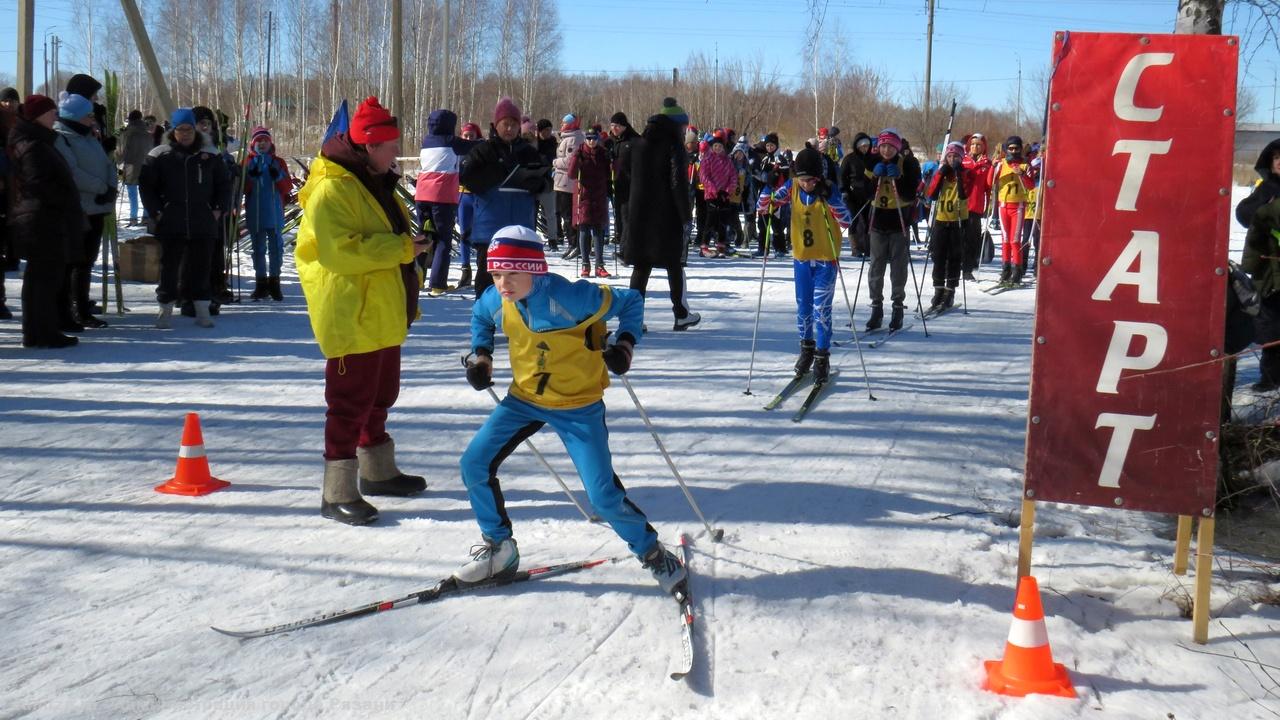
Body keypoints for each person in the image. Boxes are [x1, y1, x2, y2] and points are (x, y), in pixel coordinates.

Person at [456, 225, 687, 596]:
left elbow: (630, 301)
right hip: (525, 399)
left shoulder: (574, 297)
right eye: (497, 273)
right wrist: (481, 355)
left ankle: (653, 553)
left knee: (602, 496)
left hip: (578, 406)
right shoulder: (497, 299)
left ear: (534, 269)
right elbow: (481, 317)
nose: (503, 283)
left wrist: (625, 344)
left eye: (512, 273)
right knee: (474, 464)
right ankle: (500, 549)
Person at [295, 97, 430, 526]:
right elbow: (339, 252)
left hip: (379, 306)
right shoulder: (332, 187)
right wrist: (404, 248)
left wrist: (409, 250)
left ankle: (377, 471)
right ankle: (336, 491)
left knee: (380, 394)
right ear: (370, 146)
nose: (396, 152)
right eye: (390, 145)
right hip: (351, 309)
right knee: (349, 400)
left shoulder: (372, 179)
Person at [764, 147, 852, 384]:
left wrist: (830, 198)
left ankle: (822, 357)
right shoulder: (792, 186)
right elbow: (766, 205)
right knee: (803, 308)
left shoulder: (828, 189)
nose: (806, 185)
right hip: (801, 260)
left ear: (819, 177)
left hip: (826, 261)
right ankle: (806, 350)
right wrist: (767, 186)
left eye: (811, 180)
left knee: (821, 311)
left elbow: (847, 220)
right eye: (802, 180)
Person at [139, 108, 230, 329]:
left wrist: (217, 209)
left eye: (189, 129)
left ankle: (202, 310)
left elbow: (223, 185)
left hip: (203, 220)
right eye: (181, 129)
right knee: (169, 267)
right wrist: (157, 212)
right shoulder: (160, 155)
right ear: (173, 130)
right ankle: (165, 309)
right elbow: (147, 187)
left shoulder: (210, 155)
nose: (186, 133)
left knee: (202, 267)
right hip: (172, 220)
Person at [617, 98, 701, 331]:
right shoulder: (673, 147)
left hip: (639, 217)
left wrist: (626, 214)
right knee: (674, 264)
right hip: (667, 217)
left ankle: (634, 318)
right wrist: (686, 215)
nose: (684, 132)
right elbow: (678, 184)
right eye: (683, 127)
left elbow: (623, 181)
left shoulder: (637, 144)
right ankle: (681, 313)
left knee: (641, 267)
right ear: (675, 125)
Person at [9, 94, 85, 348]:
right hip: (41, 219)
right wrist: (63, 198)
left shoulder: (37, 141)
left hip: (44, 217)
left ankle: (40, 330)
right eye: (51, 112)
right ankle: (41, 332)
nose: (55, 117)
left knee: (43, 278)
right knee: (43, 279)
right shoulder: (32, 145)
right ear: (38, 115)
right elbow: (36, 184)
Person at [458, 97, 548, 297]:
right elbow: (466, 178)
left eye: (514, 124)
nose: (510, 128)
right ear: (496, 125)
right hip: (489, 229)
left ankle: (522, 325)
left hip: (521, 229)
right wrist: (498, 173)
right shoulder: (483, 150)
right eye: (505, 124)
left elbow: (546, 180)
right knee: (487, 282)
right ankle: (484, 324)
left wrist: (538, 183)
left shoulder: (528, 152)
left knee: (523, 282)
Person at [53, 92, 116, 331]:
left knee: (86, 262)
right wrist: (101, 187)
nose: (93, 119)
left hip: (97, 207)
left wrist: (111, 187)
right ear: (76, 116)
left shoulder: (89, 137)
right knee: (73, 262)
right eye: (88, 115)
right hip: (78, 210)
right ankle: (69, 309)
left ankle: (81, 307)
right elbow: (72, 171)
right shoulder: (62, 138)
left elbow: (107, 164)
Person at [415, 108, 477, 296]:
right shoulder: (451, 142)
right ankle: (438, 283)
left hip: (421, 195)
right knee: (443, 240)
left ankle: (416, 278)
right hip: (442, 197)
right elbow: (474, 146)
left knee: (424, 237)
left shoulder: (427, 141)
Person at [865, 128, 921, 331]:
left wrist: (899, 178)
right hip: (878, 221)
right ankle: (876, 308)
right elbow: (866, 194)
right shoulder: (872, 161)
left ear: (897, 147)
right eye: (883, 146)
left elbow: (910, 193)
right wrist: (873, 178)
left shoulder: (908, 163)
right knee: (876, 267)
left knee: (898, 267)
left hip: (899, 222)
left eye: (890, 146)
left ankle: (897, 307)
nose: (886, 150)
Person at [243, 126, 292, 300]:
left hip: (274, 212)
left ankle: (275, 282)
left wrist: (278, 176)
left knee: (276, 248)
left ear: (270, 143)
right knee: (258, 249)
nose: (262, 143)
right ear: (253, 143)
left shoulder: (278, 162)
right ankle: (260, 283)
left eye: (265, 140)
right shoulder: (248, 162)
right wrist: (250, 177)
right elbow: (242, 188)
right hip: (255, 212)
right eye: (259, 141)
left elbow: (287, 188)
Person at [925, 141, 969, 311]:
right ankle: (938, 290)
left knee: (954, 257)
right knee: (938, 257)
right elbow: (932, 195)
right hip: (941, 219)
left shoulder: (964, 173)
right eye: (949, 157)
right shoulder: (941, 173)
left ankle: (950, 292)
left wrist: (958, 173)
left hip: (958, 220)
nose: (952, 160)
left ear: (961, 158)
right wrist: (940, 174)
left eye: (955, 157)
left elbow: (964, 193)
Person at [565, 126, 611, 277]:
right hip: (583, 196)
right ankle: (585, 264)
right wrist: (575, 158)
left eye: (594, 139)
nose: (591, 141)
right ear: (585, 139)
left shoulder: (603, 154)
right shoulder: (581, 153)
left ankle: (600, 265)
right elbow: (571, 174)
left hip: (599, 196)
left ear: (598, 139)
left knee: (598, 231)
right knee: (584, 229)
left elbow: (610, 174)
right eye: (589, 138)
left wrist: (613, 159)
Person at [990, 135, 1035, 285]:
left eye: (1016, 148)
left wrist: (1021, 174)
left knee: (1015, 240)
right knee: (1005, 240)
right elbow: (990, 182)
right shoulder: (1001, 164)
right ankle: (1005, 269)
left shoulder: (1025, 165)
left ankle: (1017, 270)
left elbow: (1030, 186)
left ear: (1020, 149)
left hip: (1018, 206)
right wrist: (993, 167)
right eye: (1010, 148)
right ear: (1006, 149)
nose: (1013, 151)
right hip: (1003, 205)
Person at [698, 131, 738, 257]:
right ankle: (704, 246)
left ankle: (721, 245)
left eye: (720, 146)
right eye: (715, 146)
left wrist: (727, 190)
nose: (717, 148)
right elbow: (704, 176)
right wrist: (714, 190)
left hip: (724, 195)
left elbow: (733, 177)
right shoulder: (707, 159)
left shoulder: (727, 161)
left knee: (723, 221)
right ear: (712, 147)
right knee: (710, 220)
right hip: (712, 195)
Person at [960, 133, 993, 281]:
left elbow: (989, 187)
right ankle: (954, 265)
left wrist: (989, 204)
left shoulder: (987, 164)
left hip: (976, 206)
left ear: (984, 147)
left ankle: (967, 269)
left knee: (972, 239)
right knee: (958, 238)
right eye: (973, 144)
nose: (975, 147)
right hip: (960, 205)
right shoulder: (962, 160)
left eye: (978, 144)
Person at [455, 121, 483, 290]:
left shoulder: (482, 149)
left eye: (471, 136)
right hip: (462, 194)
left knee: (480, 233)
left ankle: (482, 268)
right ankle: (465, 269)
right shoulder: (457, 150)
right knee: (464, 233)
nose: (468, 138)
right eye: (465, 136)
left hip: (478, 196)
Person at [552, 113, 584, 253]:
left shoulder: (573, 139)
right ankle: (572, 243)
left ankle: (574, 243)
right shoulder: (567, 137)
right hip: (561, 181)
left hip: (567, 183)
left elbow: (571, 161)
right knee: (563, 213)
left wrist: (554, 162)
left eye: (564, 123)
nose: (562, 125)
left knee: (568, 215)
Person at [840, 132, 876, 258]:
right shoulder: (849, 159)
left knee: (868, 222)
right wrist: (845, 191)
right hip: (853, 195)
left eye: (867, 146)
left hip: (868, 195)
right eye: (862, 146)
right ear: (857, 146)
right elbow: (842, 176)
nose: (864, 148)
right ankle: (855, 248)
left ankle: (868, 248)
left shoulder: (873, 159)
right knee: (853, 222)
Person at [0, 87, 19, 320]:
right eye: (6, 101)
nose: (9, 105)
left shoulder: (15, 123)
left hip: (10, 194)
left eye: (12, 101)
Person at [608, 112, 640, 246]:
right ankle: (622, 243)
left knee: (627, 217)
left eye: (617, 126)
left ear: (624, 126)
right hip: (617, 184)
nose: (614, 128)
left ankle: (626, 248)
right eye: (612, 125)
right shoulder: (612, 141)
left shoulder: (634, 140)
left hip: (631, 185)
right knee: (619, 217)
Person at [119, 110, 153, 226]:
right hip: (146, 166)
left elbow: (122, 151)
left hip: (131, 165)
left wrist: (118, 161)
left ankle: (133, 218)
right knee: (145, 193)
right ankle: (146, 217)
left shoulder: (127, 133)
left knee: (132, 194)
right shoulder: (148, 134)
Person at [533, 119, 559, 249]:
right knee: (532, 213)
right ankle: (530, 236)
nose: (548, 133)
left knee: (550, 213)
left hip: (548, 183)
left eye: (550, 130)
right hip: (534, 183)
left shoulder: (553, 143)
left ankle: (553, 238)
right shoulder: (534, 144)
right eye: (545, 130)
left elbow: (555, 160)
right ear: (540, 131)